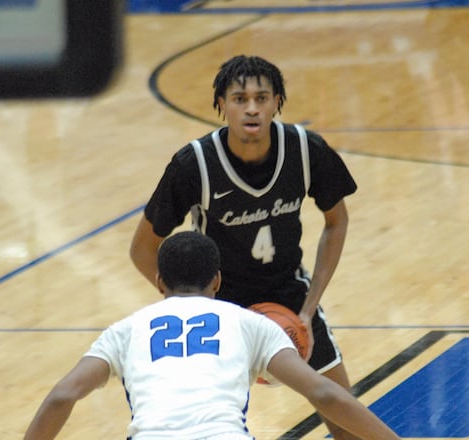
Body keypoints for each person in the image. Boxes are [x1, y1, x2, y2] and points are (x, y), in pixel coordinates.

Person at [130, 55, 360, 438]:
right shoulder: (194, 164)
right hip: (219, 305)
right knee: (199, 425)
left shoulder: (306, 150)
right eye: (239, 99)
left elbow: (337, 221)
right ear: (221, 104)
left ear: (277, 102)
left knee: (345, 415)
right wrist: (192, 304)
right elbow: (142, 250)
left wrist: (309, 306)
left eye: (262, 97)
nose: (251, 108)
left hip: (289, 295)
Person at [24, 231, 400, 440]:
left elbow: (62, 397)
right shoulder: (249, 323)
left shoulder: (124, 331)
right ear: (218, 281)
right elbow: (322, 392)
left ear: (159, 283)